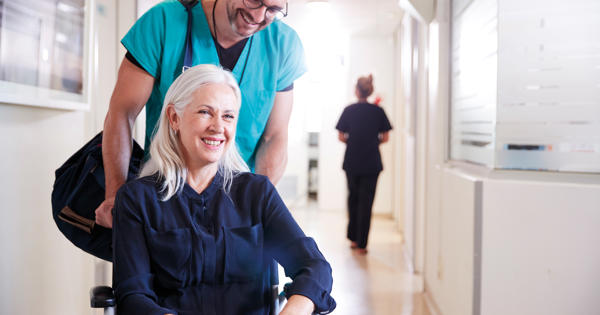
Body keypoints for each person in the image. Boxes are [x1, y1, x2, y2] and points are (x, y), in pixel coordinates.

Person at [112, 65, 335, 315]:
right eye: (206, 112)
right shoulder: (137, 199)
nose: (218, 127)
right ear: (174, 118)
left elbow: (314, 267)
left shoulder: (256, 193)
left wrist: (292, 311)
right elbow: (133, 294)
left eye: (228, 116)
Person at [97, 0, 306, 228]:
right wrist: (117, 195)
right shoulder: (164, 23)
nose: (259, 16)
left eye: (273, 10)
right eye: (255, 0)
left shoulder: (283, 44)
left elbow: (274, 136)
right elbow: (121, 114)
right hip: (164, 195)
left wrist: (258, 206)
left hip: (236, 203)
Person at [335, 74, 392, 255]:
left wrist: (354, 142)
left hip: (352, 161)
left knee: (353, 198)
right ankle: (362, 244)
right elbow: (385, 137)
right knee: (366, 202)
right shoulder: (378, 111)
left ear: (357, 90)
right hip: (372, 163)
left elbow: (341, 136)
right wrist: (372, 142)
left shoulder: (349, 110)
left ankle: (353, 238)